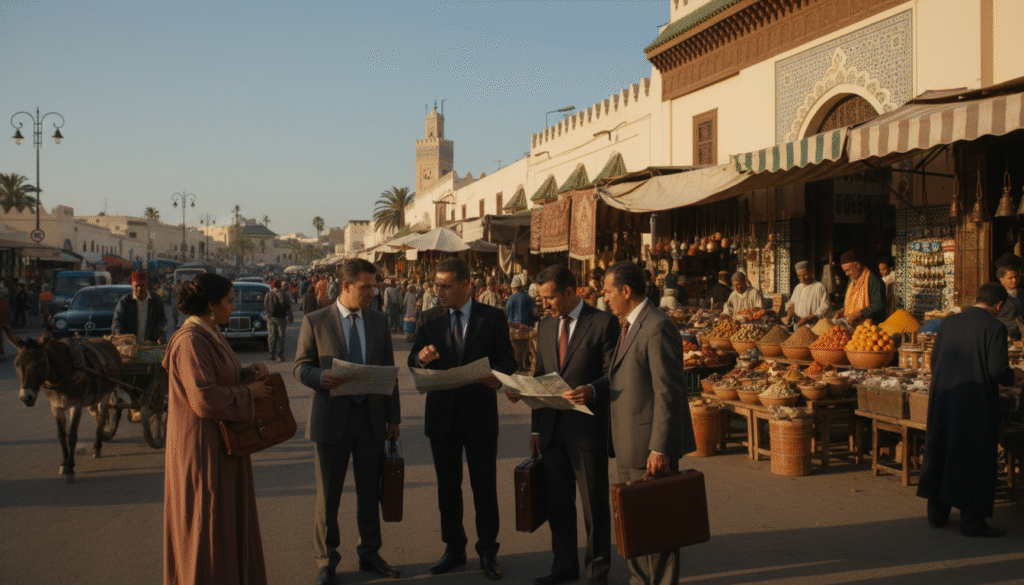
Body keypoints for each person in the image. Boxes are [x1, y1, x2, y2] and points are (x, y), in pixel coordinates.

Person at [294, 259, 402, 585]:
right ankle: (327, 561)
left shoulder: (379, 322)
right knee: (329, 496)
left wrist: (393, 418)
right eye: (366, 287)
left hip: (371, 421)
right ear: (346, 286)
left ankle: (370, 553)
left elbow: (389, 373)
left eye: (374, 286)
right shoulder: (316, 321)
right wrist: (319, 376)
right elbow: (300, 366)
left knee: (370, 492)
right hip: (331, 420)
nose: (372, 292)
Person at [509, 265, 618, 585]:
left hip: (587, 432)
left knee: (593, 506)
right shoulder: (543, 328)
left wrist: (593, 389)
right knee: (558, 503)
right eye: (541, 298)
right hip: (552, 430)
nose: (545, 303)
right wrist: (534, 428)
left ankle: (598, 570)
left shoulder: (602, 323)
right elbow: (542, 378)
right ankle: (564, 564)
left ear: (571, 293)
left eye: (550, 297)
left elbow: (616, 373)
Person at [409, 257, 516, 580]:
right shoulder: (428, 318)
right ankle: (454, 548)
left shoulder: (493, 317)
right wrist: (422, 357)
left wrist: (497, 377)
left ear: (466, 286)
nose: (437, 291)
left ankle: (488, 551)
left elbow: (507, 360)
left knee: (484, 488)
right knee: (448, 488)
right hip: (442, 417)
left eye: (445, 286)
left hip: (480, 416)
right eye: (436, 285)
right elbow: (415, 355)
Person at [162, 273, 273, 585]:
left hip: (222, 444)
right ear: (211, 305)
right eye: (229, 301)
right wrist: (248, 393)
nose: (233, 307)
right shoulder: (190, 341)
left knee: (223, 523)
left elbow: (222, 376)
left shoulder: (210, 333)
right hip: (203, 448)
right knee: (206, 523)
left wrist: (248, 373)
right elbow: (205, 397)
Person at [601, 261, 695, 585]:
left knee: (659, 528)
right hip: (627, 444)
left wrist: (659, 447)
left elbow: (667, 391)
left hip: (648, 448)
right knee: (634, 526)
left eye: (608, 292)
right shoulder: (627, 325)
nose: (605, 299)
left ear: (626, 291)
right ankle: (640, 581)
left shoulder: (657, 325)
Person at [917, 282, 1024, 537]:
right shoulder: (994, 327)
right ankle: (972, 521)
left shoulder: (949, 323)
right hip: (975, 401)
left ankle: (937, 514)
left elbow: (933, 361)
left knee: (943, 449)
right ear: (998, 305)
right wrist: (1015, 377)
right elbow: (997, 369)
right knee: (973, 457)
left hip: (945, 398)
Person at [112, 272, 168, 344]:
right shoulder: (125, 302)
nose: (139, 289)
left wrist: (161, 336)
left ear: (146, 285)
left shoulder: (156, 300)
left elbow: (162, 321)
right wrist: (120, 338)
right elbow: (117, 323)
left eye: (142, 285)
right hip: (131, 346)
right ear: (132, 285)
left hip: (152, 344)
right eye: (136, 286)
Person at [835, 249, 886, 325]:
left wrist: (859, 314)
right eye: (845, 271)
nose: (846, 274)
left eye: (848, 270)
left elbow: (879, 305)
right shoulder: (851, 281)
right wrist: (841, 312)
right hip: (852, 325)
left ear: (857, 265)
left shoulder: (873, 280)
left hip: (870, 329)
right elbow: (849, 305)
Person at [506, 275, 537, 373]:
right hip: (526, 330)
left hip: (514, 330)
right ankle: (524, 367)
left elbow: (507, 314)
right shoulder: (527, 297)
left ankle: (517, 369)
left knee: (515, 351)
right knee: (525, 351)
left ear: (514, 288)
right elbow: (531, 313)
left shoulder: (511, 298)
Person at [786, 261, 830, 329]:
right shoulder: (798, 287)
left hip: (813, 326)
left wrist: (812, 316)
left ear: (811, 273)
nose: (802, 279)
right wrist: (789, 316)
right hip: (798, 325)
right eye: (799, 276)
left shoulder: (819, 287)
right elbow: (791, 303)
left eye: (805, 275)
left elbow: (825, 306)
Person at [264, 279, 292, 362]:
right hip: (281, 318)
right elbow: (288, 305)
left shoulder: (268, 294)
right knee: (280, 336)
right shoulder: (283, 294)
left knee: (271, 335)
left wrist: (269, 314)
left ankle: (271, 353)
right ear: (280, 285)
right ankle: (279, 356)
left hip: (270, 317)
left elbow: (265, 305)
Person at [995, 266, 1024, 339]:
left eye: (1016, 277)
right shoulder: (997, 296)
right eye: (1010, 278)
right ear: (1002, 280)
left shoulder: (1021, 293)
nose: (1014, 280)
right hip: (1006, 335)